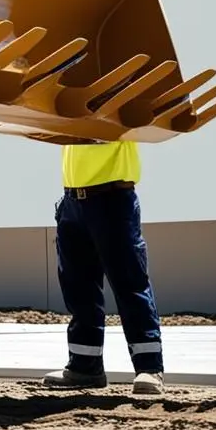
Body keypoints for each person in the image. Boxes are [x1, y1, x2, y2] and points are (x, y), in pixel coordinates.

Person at [43, 139, 164, 395]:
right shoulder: (69, 107)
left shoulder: (117, 103)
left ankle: (150, 368)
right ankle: (84, 367)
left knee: (129, 283)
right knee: (79, 289)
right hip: (72, 200)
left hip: (112, 198)